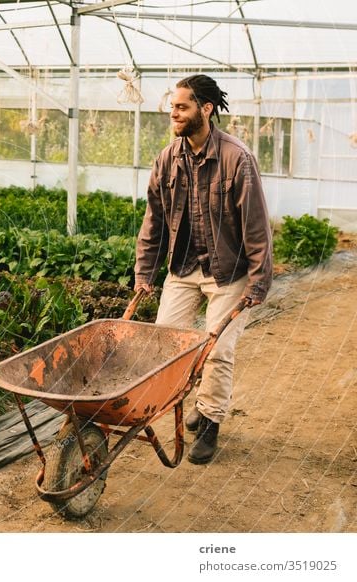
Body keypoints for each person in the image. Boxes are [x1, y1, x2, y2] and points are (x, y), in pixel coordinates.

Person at [134, 74, 273, 464]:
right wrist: (145, 274)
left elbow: (256, 225)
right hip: (183, 267)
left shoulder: (236, 158)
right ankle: (194, 400)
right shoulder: (168, 159)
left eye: (181, 107)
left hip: (229, 271)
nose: (173, 113)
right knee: (167, 342)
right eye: (172, 107)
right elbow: (154, 223)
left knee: (217, 349)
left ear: (205, 110)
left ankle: (210, 421)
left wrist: (259, 281)